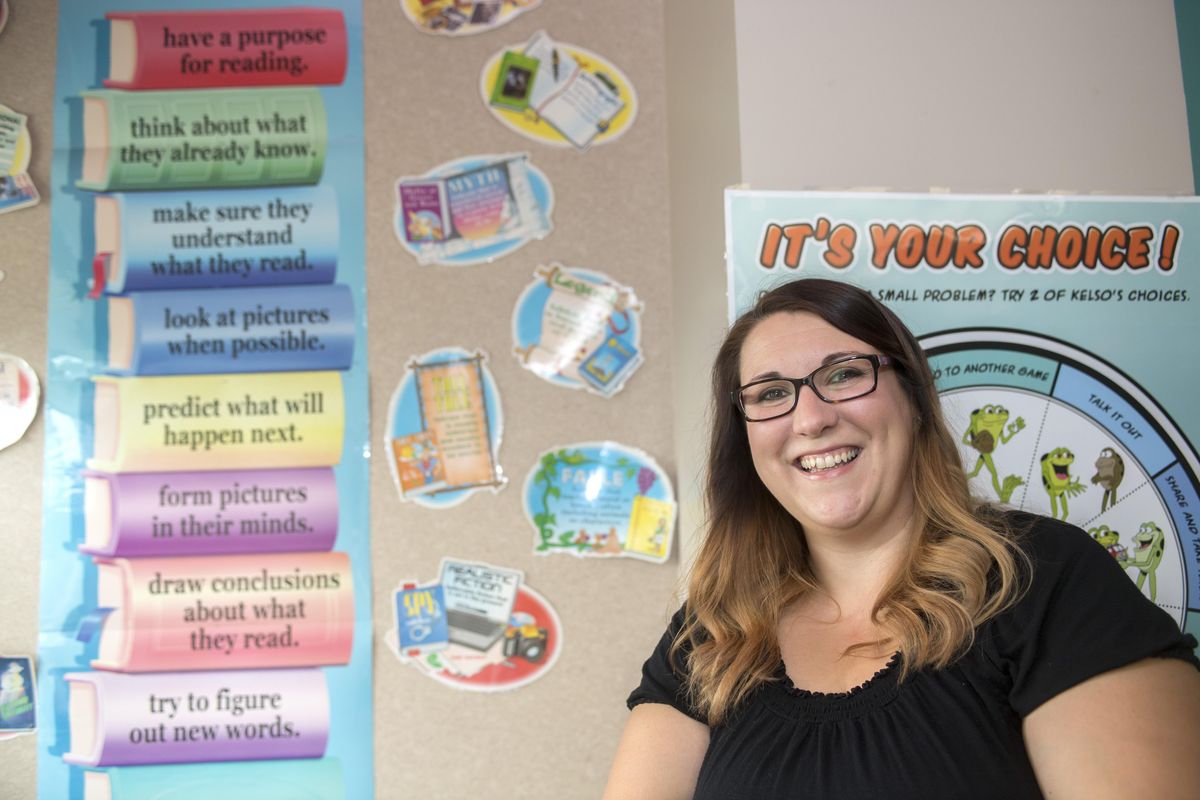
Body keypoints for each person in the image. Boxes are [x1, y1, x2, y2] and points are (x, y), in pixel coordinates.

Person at [603, 278, 1200, 799]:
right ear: (745, 441)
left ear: (913, 399)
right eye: (770, 394)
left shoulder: (1044, 579)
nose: (810, 419)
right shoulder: (713, 633)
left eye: (844, 374)